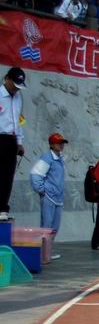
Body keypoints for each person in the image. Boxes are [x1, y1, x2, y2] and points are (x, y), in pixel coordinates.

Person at [29, 133, 68, 260]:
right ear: (51, 145)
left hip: (58, 198)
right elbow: (35, 174)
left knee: (54, 227)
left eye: (62, 142)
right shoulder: (47, 158)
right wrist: (42, 190)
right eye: (58, 142)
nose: (61, 145)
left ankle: (48, 252)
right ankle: (42, 254)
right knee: (46, 226)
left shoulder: (60, 158)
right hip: (49, 197)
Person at [0, 67, 25, 223]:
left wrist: (20, 142)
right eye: (14, 84)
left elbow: (19, 120)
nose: (16, 88)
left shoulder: (18, 97)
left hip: (12, 139)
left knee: (8, 175)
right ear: (7, 79)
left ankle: (2, 208)